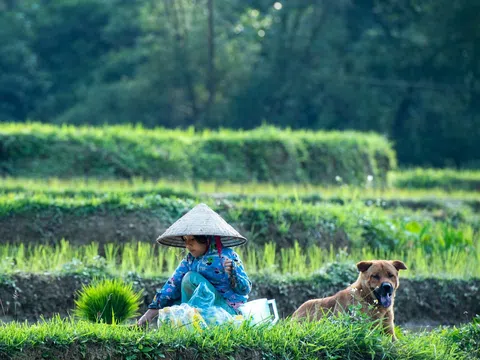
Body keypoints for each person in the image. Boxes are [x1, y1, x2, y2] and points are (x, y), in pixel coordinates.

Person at [136, 203, 251, 327]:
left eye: (192, 240)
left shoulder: (228, 256)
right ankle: (188, 322)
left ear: (206, 239)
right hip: (205, 308)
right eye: (185, 240)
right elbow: (172, 285)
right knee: (174, 301)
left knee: (190, 278)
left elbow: (245, 289)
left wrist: (233, 274)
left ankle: (189, 322)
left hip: (226, 310)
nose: (188, 245)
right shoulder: (189, 261)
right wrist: (147, 317)